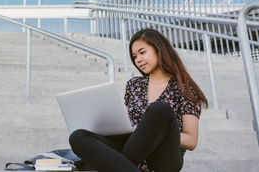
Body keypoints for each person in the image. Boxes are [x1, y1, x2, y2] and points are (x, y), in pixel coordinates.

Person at [69, 28, 208, 172]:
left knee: (160, 108)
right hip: (132, 151)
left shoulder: (183, 89)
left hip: (163, 158)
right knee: (78, 137)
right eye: (134, 56)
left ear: (159, 49)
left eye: (142, 52)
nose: (138, 60)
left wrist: (151, 134)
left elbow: (191, 141)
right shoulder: (134, 85)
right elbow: (123, 124)